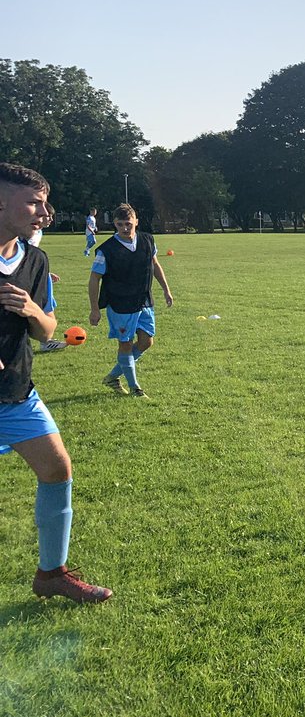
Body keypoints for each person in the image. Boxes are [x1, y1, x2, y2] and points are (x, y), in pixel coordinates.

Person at [0, 162, 112, 603]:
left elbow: (48, 331)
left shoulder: (34, 259)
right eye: (33, 202)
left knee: (57, 469)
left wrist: (30, 310)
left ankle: (52, 574)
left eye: (44, 202)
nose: (44, 212)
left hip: (16, 395)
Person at [88, 203, 174, 398]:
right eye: (119, 224)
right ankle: (135, 388)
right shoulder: (106, 250)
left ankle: (112, 376)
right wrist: (95, 309)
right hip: (120, 304)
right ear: (115, 225)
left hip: (144, 300)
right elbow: (94, 279)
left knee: (146, 342)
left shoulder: (147, 240)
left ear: (136, 221)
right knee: (125, 343)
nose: (125, 228)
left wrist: (166, 290)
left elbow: (155, 265)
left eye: (128, 223)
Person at [25, 204, 66, 352]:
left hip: (37, 274)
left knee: (48, 306)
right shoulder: (27, 233)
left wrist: (46, 272)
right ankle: (45, 341)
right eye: (48, 216)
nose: (50, 219)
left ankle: (46, 341)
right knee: (43, 306)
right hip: (29, 276)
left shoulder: (39, 232)